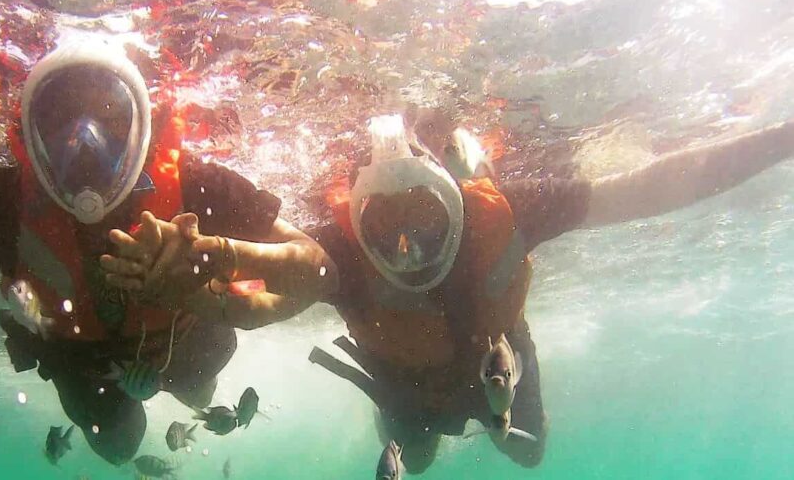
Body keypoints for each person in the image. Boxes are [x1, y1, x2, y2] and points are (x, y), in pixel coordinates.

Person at [0, 32, 335, 465]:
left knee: (199, 391)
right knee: (119, 448)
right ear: (32, 129)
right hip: (82, 363)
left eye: (111, 114)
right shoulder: (7, 198)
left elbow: (318, 268)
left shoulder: (196, 183)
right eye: (61, 117)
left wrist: (217, 254)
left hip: (186, 340)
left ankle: (194, 389)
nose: (85, 140)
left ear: (142, 125)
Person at [303, 112, 794, 473]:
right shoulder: (338, 250)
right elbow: (264, 265)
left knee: (529, 451)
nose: (407, 249)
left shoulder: (509, 209)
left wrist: (781, 137)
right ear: (359, 225)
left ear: (452, 197)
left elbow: (648, 188)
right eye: (384, 227)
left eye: (424, 218)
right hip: (404, 381)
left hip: (500, 362)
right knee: (416, 462)